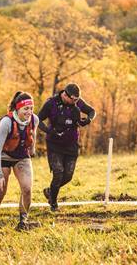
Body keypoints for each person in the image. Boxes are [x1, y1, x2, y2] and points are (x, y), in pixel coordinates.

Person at [0, 91, 39, 237]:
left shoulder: (34, 119)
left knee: (27, 189)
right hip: (3, 156)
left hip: (21, 156)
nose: (29, 112)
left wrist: (33, 149)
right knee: (0, 193)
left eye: (31, 108)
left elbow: (33, 133)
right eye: (25, 109)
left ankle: (23, 221)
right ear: (17, 108)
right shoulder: (7, 122)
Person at [38, 83, 95, 211]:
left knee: (68, 176)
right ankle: (53, 203)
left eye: (77, 99)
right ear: (65, 94)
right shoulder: (51, 103)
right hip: (54, 144)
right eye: (73, 99)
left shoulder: (77, 102)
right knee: (58, 172)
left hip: (71, 145)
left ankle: (50, 191)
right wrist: (48, 130)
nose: (76, 102)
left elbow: (92, 111)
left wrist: (88, 120)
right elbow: (37, 119)